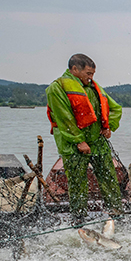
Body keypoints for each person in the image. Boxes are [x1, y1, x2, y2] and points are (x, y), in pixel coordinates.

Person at [46, 53, 124, 221]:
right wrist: (78, 140)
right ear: (74, 69)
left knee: (109, 177)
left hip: (97, 141)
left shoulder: (94, 87)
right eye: (88, 73)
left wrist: (109, 126)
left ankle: (115, 212)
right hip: (73, 144)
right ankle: (79, 219)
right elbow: (64, 117)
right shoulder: (57, 87)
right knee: (78, 183)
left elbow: (115, 108)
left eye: (93, 74)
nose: (91, 77)